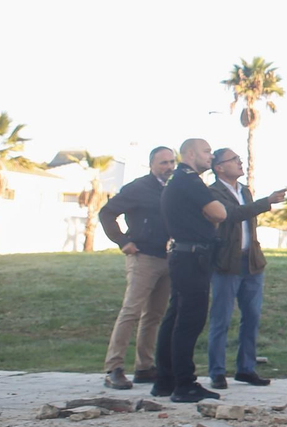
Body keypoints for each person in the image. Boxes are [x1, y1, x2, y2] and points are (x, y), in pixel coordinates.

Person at [152, 137, 229, 403]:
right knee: (189, 320)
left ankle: (165, 380)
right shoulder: (190, 179)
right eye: (207, 152)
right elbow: (219, 212)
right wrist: (211, 217)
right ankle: (184, 384)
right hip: (192, 256)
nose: (211, 156)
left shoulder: (176, 180)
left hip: (182, 254)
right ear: (191, 153)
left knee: (174, 317)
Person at [205, 149, 286, 390]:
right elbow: (231, 215)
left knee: (252, 317)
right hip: (226, 263)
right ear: (219, 167)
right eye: (233, 160)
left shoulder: (244, 190)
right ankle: (217, 371)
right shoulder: (211, 193)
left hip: (251, 262)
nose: (240, 162)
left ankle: (246, 368)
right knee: (221, 319)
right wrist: (267, 202)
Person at [97, 145, 176, 390]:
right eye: (163, 162)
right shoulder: (138, 188)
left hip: (168, 259)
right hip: (142, 257)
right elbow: (106, 213)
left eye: (172, 162)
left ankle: (144, 367)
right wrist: (122, 241)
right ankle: (114, 368)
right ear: (152, 164)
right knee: (130, 312)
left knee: (154, 316)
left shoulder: (173, 189)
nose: (169, 167)